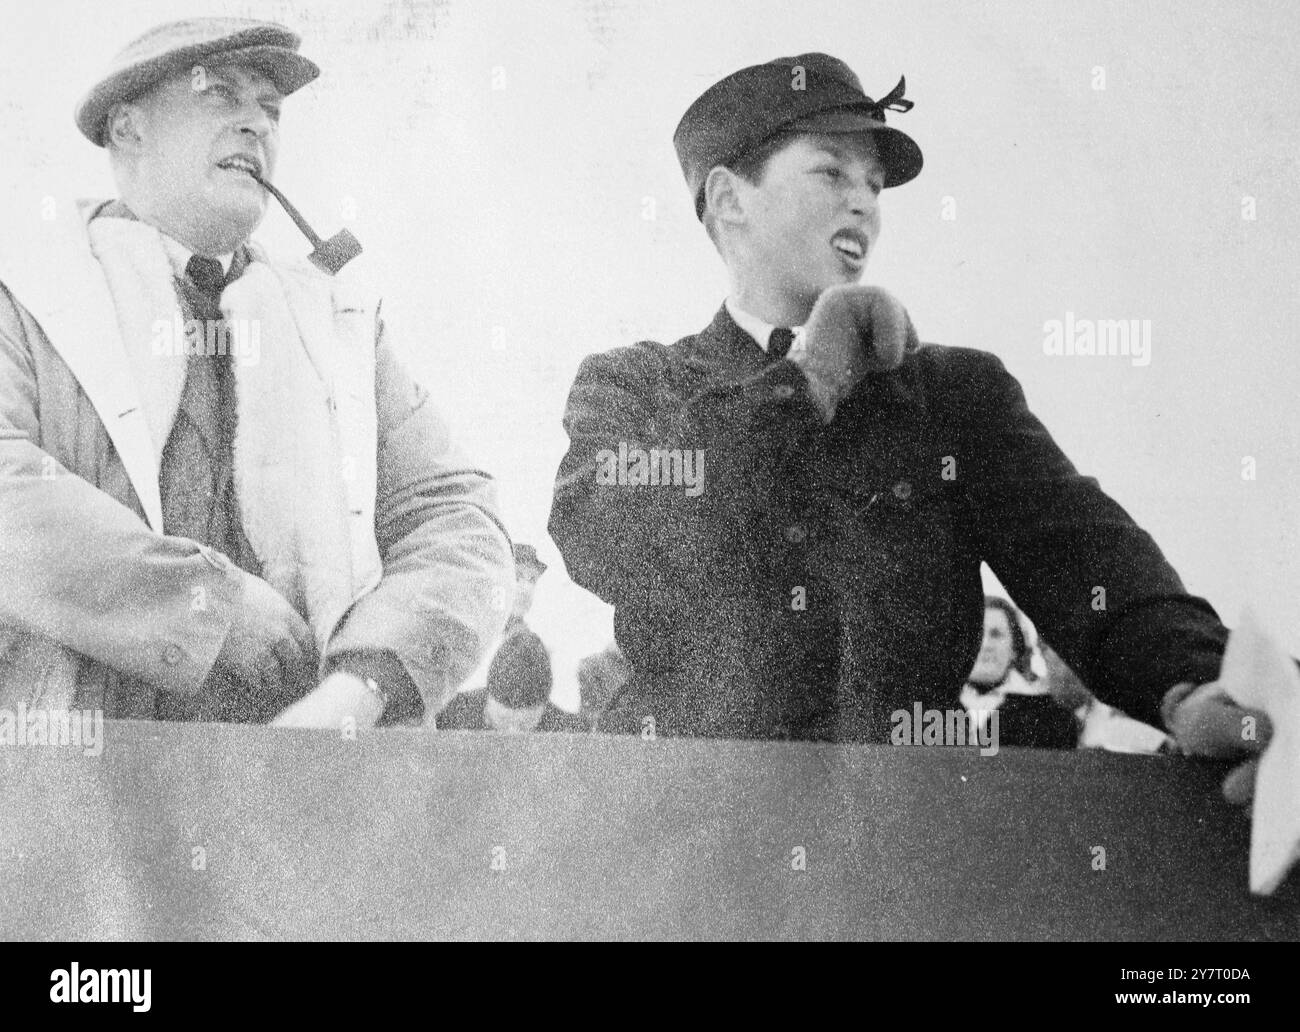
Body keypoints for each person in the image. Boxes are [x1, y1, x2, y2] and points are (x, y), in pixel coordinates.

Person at [548, 52, 1268, 801]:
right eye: (831, 173)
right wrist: (807, 382)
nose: (863, 204)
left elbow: (1087, 555)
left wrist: (1196, 685)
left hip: (903, 846)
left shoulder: (954, 394)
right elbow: (607, 536)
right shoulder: (635, 384)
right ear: (730, 200)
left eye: (874, 186)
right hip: (687, 841)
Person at [0, 18, 515, 729]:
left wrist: (359, 689)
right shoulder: (25, 294)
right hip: (76, 782)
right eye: (221, 96)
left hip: (296, 788)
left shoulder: (343, 325)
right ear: (128, 130)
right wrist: (204, 607)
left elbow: (461, 523)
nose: (255, 124)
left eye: (269, 109)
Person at [436, 543, 585, 732]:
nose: (525, 588)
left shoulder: (548, 646)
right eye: (517, 577)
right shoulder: (468, 636)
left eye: (532, 579)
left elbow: (562, 710)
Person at [959, 597, 1077, 750]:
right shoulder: (929, 708)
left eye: (996, 634)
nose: (986, 644)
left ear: (1014, 648)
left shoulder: (1049, 716)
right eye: (976, 633)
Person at [1041, 643, 1173, 754]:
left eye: (1057, 665)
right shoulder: (1051, 718)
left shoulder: (1119, 718)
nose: (1053, 676)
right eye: (1049, 666)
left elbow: (1166, 745)